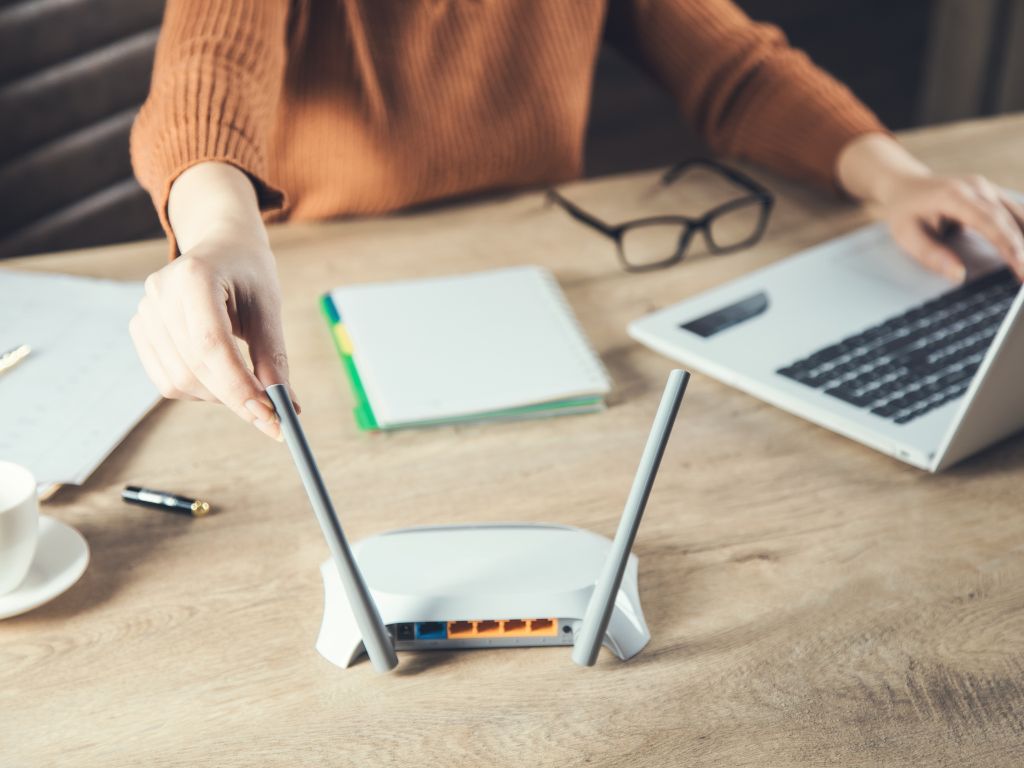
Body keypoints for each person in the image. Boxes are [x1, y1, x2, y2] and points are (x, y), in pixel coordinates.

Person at [129, 0, 1024, 441]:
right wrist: (216, 231)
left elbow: (734, 66)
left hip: (545, 274)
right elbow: (205, 72)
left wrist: (898, 180)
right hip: (331, 296)